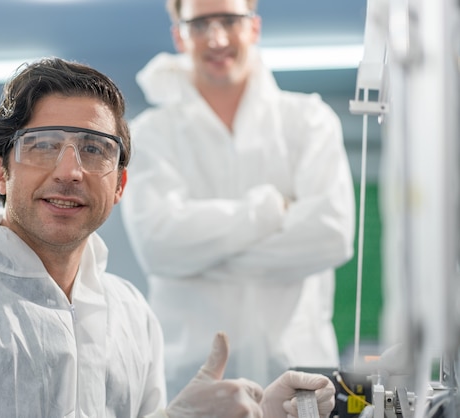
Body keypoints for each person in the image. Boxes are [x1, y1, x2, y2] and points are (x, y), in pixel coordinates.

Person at [0, 57, 335, 417]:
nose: (70, 170)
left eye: (95, 150)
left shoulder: (130, 316)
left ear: (118, 185)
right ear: (0, 175)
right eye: (43, 146)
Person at [120, 0, 356, 397]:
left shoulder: (309, 121)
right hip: (192, 382)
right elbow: (158, 246)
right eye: (199, 25)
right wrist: (266, 212)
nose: (217, 38)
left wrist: (200, 253)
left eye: (230, 20)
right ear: (180, 35)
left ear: (254, 28)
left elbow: (331, 234)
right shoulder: (150, 135)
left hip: (302, 380)